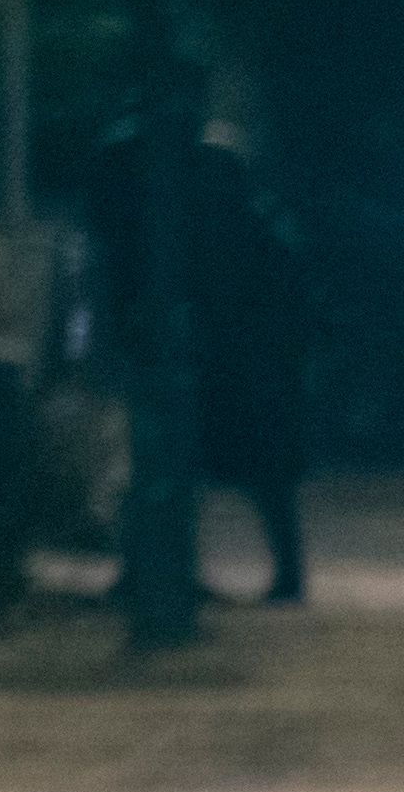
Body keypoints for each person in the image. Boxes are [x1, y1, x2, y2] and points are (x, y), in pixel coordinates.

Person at [82, 111, 312, 607]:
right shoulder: (178, 168)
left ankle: (165, 570)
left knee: (211, 458)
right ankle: (161, 570)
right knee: (175, 458)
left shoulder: (192, 171)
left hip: (223, 340)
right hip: (205, 338)